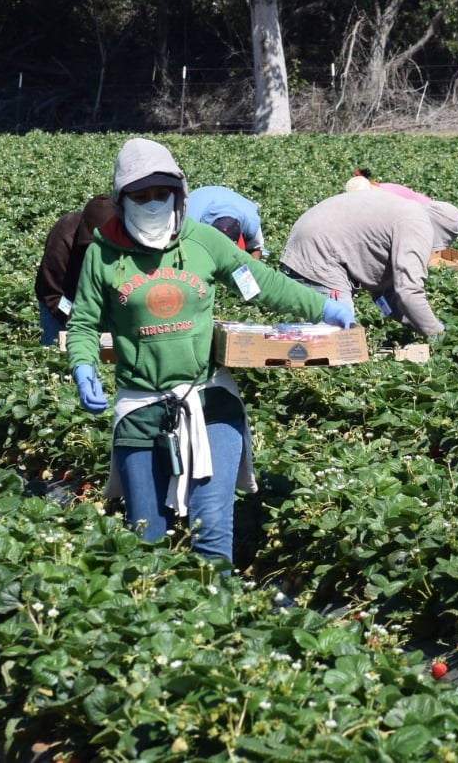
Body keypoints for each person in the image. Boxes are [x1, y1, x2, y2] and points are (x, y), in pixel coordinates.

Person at [66, 137, 355, 565]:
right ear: (121, 199)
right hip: (141, 403)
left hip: (208, 398)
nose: (151, 204)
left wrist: (323, 307)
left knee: (211, 525)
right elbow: (85, 323)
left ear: (177, 195)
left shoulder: (203, 242)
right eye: (140, 196)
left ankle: (218, 614)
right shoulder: (103, 256)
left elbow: (263, 284)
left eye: (160, 194)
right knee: (146, 535)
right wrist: (83, 365)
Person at [279, 188, 458, 338]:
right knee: (339, 341)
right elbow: (409, 292)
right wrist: (437, 333)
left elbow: (385, 295)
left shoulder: (403, 212)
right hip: (319, 255)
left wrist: (417, 323)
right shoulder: (416, 224)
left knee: (321, 338)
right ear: (443, 235)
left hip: (304, 244)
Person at [34, 195, 116, 346]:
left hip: (109, 297)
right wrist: (79, 325)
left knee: (112, 350)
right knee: (58, 348)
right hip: (65, 296)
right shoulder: (63, 240)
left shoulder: (129, 238)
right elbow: (53, 295)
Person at [188, 185, 268, 259]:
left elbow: (256, 248)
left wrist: (252, 270)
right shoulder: (190, 222)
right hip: (200, 197)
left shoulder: (251, 221)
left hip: (231, 201)